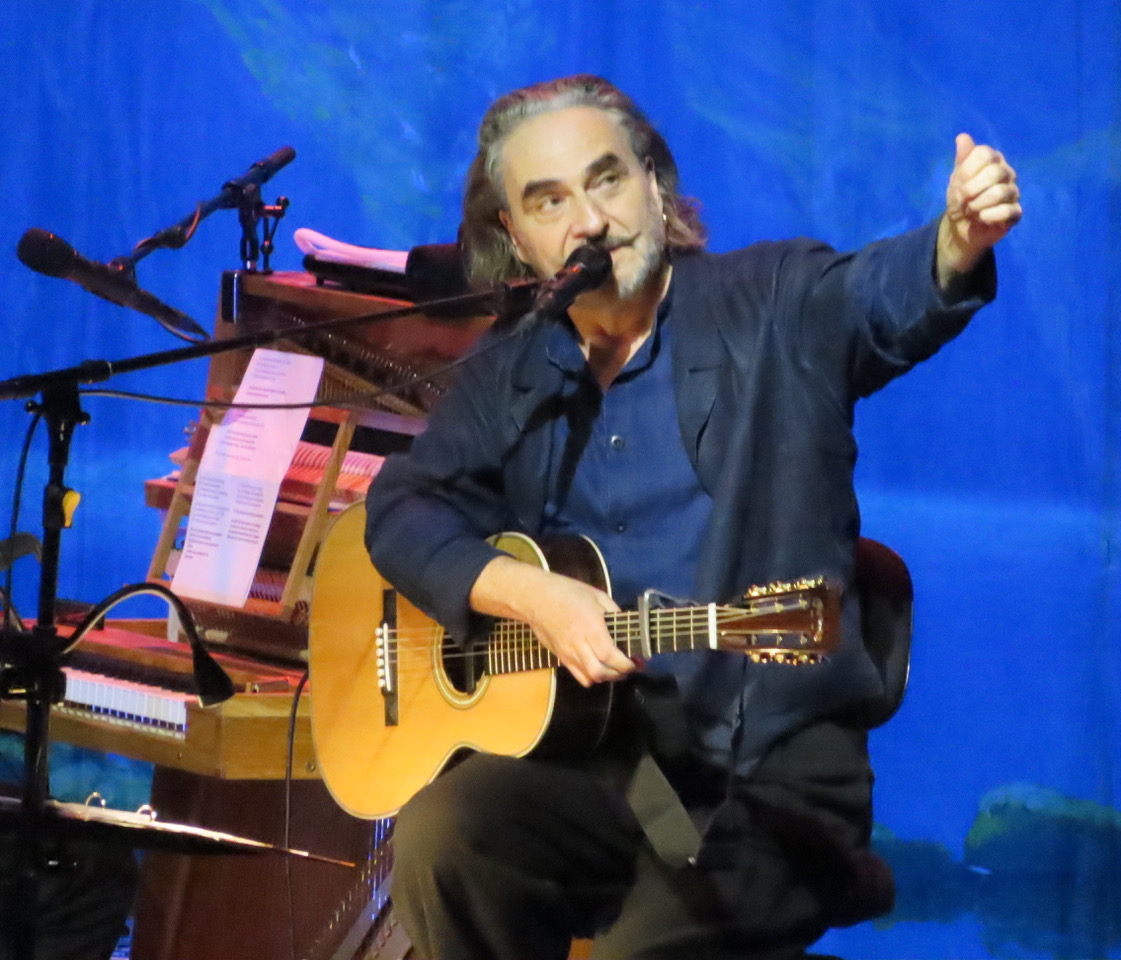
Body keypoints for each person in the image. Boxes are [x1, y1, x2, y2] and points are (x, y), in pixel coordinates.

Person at [364, 74, 1020, 960]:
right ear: (516, 238)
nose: (588, 221)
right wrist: (524, 592)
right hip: (602, 760)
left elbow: (877, 299)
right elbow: (399, 510)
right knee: (444, 838)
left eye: (606, 180)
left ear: (654, 185)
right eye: (549, 202)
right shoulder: (510, 372)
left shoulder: (775, 301)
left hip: (771, 785)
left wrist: (954, 243)